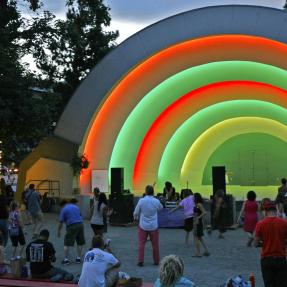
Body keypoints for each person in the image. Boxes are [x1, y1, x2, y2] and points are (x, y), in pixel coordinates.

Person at [254, 201, 287, 287]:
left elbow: (255, 243)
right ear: (276, 210)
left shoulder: (260, 224)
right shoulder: (284, 223)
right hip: (281, 258)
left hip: (266, 259)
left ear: (265, 211)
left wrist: (262, 242)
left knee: (269, 284)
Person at [133, 185, 163, 267]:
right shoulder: (156, 201)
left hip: (143, 225)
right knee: (155, 244)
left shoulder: (141, 201)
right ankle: (157, 261)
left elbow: (136, 212)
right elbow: (161, 208)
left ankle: (140, 261)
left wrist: (135, 218)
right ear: (153, 192)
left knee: (141, 244)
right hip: (154, 226)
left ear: (145, 192)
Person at [57, 199, 85, 265]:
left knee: (66, 243)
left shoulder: (63, 209)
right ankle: (78, 258)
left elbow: (60, 222)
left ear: (62, 205)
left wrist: (58, 231)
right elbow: (80, 216)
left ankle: (66, 260)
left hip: (72, 226)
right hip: (80, 224)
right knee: (80, 242)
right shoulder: (76, 207)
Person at [193, 193, 209, 257]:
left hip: (198, 223)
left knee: (196, 238)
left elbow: (204, 212)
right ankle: (206, 251)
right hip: (197, 222)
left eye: (194, 197)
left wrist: (198, 217)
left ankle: (198, 253)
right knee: (200, 238)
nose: (193, 198)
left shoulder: (199, 204)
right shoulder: (196, 204)